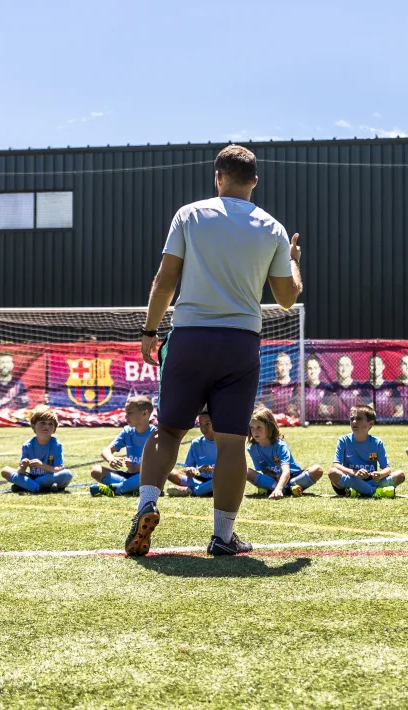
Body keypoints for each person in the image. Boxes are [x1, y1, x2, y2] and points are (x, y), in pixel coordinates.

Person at [129, 144, 303, 556]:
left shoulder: (189, 214)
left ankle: (147, 504)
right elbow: (286, 298)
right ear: (254, 181)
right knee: (231, 443)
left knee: (168, 431)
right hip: (240, 342)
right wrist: (294, 261)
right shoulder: (274, 229)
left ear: (217, 177)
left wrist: (150, 330)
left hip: (190, 337)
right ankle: (223, 537)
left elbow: (165, 280)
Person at [246, 407, 323, 498]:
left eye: (259, 427)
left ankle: (278, 488)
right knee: (245, 471)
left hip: (292, 476)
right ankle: (289, 489)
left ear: (269, 427)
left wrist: (278, 488)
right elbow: (265, 471)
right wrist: (275, 476)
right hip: (274, 479)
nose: (255, 431)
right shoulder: (253, 449)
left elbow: (286, 471)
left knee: (317, 470)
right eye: (252, 427)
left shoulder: (280, 445)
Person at [328, 404, 400, 498]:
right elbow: (336, 465)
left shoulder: (377, 443)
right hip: (351, 478)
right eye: (352, 419)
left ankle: (358, 491)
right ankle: (374, 492)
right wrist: (355, 473)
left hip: (371, 480)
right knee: (332, 472)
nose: (354, 422)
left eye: (359, 418)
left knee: (400, 475)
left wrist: (380, 475)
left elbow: (387, 469)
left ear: (371, 424)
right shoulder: (343, 440)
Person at [90, 395, 156, 497]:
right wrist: (111, 459)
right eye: (126, 413)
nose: (126, 417)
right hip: (129, 476)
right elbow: (106, 451)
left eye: (130, 413)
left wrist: (138, 468)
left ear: (145, 413)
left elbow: (159, 464)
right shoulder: (127, 431)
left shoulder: (155, 434)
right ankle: (131, 488)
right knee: (96, 470)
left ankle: (116, 489)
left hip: (146, 476)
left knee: (151, 475)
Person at [2, 406, 72, 493]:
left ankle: (28, 486)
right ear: (33, 426)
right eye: (42, 422)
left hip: (48, 477)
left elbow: (59, 469)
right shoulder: (27, 445)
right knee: (5, 470)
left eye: (50, 424)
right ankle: (40, 487)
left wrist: (42, 465)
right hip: (31, 477)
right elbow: (20, 472)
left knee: (67, 474)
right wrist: (23, 467)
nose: (46, 426)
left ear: (54, 429)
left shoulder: (56, 445)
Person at [167, 408, 218, 497]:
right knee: (169, 472)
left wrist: (214, 470)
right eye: (200, 424)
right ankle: (203, 490)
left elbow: (230, 470)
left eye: (207, 424)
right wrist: (190, 470)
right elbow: (188, 466)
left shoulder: (224, 443)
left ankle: (192, 491)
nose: (203, 428)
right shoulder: (196, 443)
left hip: (218, 480)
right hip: (198, 480)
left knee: (223, 479)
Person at [260, 351, 299, 418]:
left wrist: (295, 411)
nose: (283, 368)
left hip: (292, 422)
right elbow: (261, 405)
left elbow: (300, 408)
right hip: (274, 421)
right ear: (276, 367)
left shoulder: (296, 386)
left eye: (286, 364)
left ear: (290, 366)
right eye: (281, 364)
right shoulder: (269, 386)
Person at [330, 355, 370, 419]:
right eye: (341, 365)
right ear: (337, 368)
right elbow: (322, 409)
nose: (344, 369)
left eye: (347, 365)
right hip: (338, 423)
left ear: (352, 368)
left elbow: (370, 408)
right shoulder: (331, 387)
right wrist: (332, 418)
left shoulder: (360, 387)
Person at [304, 354, 336, 421]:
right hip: (305, 423)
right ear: (306, 370)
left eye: (315, 368)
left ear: (319, 369)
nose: (312, 371)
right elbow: (292, 408)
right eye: (310, 368)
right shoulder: (300, 387)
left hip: (322, 423)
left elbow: (333, 412)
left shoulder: (327, 388)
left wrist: (325, 411)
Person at [367, 354, 393, 421]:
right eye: (372, 364)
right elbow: (366, 410)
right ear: (368, 367)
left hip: (390, 422)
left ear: (383, 366)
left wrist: (392, 420)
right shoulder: (364, 387)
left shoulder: (391, 387)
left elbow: (399, 408)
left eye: (378, 364)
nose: (375, 367)